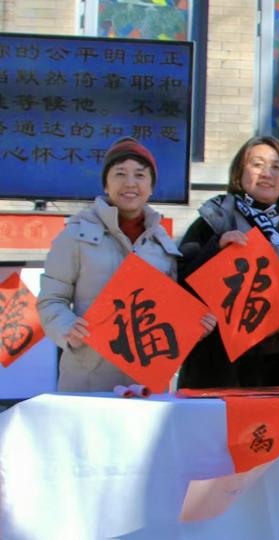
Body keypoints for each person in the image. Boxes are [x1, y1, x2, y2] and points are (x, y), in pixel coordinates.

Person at [37, 137, 216, 392]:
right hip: (87, 380)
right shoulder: (75, 235)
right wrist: (67, 328)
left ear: (151, 186)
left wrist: (193, 327)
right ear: (106, 185)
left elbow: (167, 313)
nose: (130, 183)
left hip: (145, 383)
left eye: (140, 175)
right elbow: (50, 300)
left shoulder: (163, 245)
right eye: (120, 173)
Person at [177, 136, 279, 388]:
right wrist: (215, 248)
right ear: (239, 172)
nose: (267, 173)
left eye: (276, 167)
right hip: (223, 363)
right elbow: (181, 282)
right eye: (257, 164)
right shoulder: (214, 221)